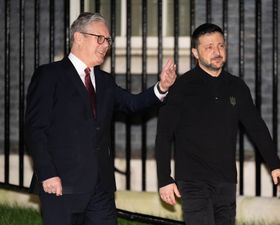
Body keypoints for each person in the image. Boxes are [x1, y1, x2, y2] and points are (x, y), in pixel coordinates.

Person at [25, 12, 176, 225]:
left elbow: (132, 104)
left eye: (108, 40)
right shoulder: (50, 75)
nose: (106, 45)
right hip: (62, 185)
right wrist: (47, 173)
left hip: (101, 187)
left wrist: (162, 88)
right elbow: (35, 129)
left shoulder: (104, 81)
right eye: (100, 38)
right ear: (78, 37)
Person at [155, 23, 280, 225]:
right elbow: (163, 135)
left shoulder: (236, 86)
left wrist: (274, 164)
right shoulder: (181, 87)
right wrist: (164, 178)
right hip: (193, 180)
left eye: (220, 46)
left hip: (226, 180)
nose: (216, 52)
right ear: (195, 53)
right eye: (208, 47)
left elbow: (256, 127)